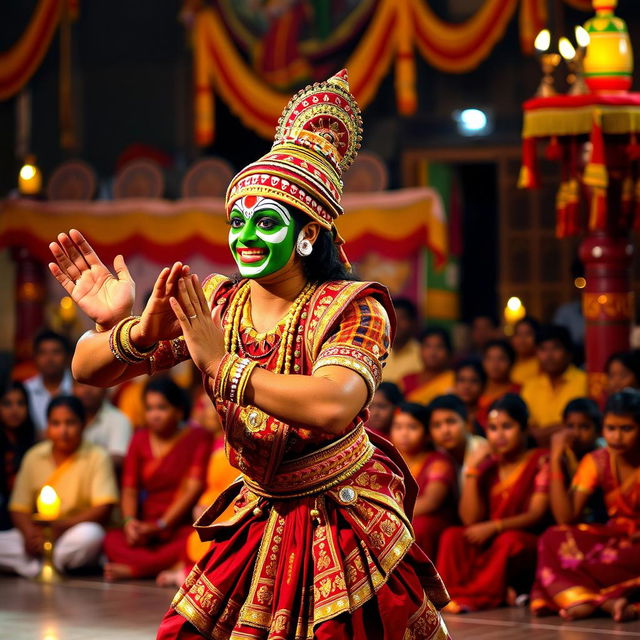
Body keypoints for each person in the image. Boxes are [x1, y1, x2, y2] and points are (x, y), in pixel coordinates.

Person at [48, 70, 450, 638]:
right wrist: (128, 332)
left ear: (309, 232)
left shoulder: (354, 306)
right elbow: (87, 372)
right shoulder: (218, 301)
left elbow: (334, 403)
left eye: (266, 222)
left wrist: (223, 366)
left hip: (340, 517)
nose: (245, 238)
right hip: (257, 512)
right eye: (237, 221)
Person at [530, 389, 640, 622]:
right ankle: (603, 601)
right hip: (616, 537)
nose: (617, 438)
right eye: (611, 429)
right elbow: (565, 517)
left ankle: (594, 598)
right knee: (552, 537)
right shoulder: (598, 460)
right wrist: (557, 457)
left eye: (626, 429)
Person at [436, 394, 550, 612]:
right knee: (452, 536)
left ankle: (476, 595)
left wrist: (495, 526)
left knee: (508, 541)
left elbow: (536, 513)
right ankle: (449, 594)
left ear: (524, 428)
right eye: (493, 428)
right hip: (493, 538)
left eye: (507, 426)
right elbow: (470, 519)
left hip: (526, 538)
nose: (499, 435)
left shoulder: (540, 460)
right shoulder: (489, 466)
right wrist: (471, 471)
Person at [103, 377, 211, 581]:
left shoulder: (198, 438)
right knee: (110, 540)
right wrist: (129, 522)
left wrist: (162, 525)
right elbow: (130, 488)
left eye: (161, 408)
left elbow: (193, 489)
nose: (154, 415)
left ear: (178, 410)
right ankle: (162, 566)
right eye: (149, 408)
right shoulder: (139, 439)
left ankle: (136, 570)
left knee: (193, 542)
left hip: (178, 526)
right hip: (145, 526)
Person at [0, 396, 117, 577]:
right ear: (47, 427)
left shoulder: (97, 456)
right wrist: (29, 534)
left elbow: (103, 508)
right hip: (37, 535)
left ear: (83, 424)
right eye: (55, 424)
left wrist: (60, 528)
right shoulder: (34, 456)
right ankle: (42, 566)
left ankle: (39, 566)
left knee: (91, 535)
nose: (63, 431)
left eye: (70, 423)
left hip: (71, 533)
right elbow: (18, 507)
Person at [390, 402, 456, 558]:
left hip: (427, 521)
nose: (404, 433)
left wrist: (392, 514)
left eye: (412, 427)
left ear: (427, 434)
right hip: (396, 515)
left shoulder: (438, 461)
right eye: (398, 427)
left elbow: (431, 502)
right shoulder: (387, 459)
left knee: (417, 528)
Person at [521, 324, 587, 447]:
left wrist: (541, 433)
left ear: (568, 352)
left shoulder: (585, 382)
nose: (549, 355)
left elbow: (580, 428)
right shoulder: (530, 386)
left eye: (555, 348)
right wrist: (560, 428)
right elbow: (526, 431)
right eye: (543, 349)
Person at [548, 398, 605, 525]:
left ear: (598, 431)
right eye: (570, 426)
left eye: (584, 427)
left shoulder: (603, 457)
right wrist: (555, 458)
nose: (576, 434)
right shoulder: (561, 456)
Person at [428, 394, 490, 487]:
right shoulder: (436, 455)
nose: (445, 431)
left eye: (451, 421)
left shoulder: (483, 451)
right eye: (437, 425)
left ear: (467, 423)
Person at [0, 382, 36, 531]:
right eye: (7, 404)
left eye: (20, 403)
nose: (14, 410)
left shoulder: (36, 443)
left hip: (30, 512)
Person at [73, 381, 132, 470]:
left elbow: (118, 459)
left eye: (94, 384)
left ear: (106, 387)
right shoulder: (66, 418)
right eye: (81, 384)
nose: (87, 390)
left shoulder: (118, 419)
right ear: (72, 388)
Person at [24, 330, 73, 433]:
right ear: (35, 357)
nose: (49, 359)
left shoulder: (79, 387)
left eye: (56, 352)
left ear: (68, 357)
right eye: (43, 353)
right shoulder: (26, 390)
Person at [401, 327, 455, 405]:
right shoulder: (406, 381)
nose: (432, 353)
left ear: (449, 352)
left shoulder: (454, 381)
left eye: (439, 347)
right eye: (428, 346)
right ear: (420, 350)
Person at [477, 339, 520, 429]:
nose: (494, 364)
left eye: (501, 359)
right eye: (489, 358)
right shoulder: (476, 390)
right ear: (483, 362)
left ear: (511, 362)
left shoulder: (519, 391)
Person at [382, 298, 422, 384]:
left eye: (402, 318)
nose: (396, 323)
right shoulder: (375, 350)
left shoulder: (422, 353)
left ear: (413, 323)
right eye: (392, 318)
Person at [453, 358, 486, 435]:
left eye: (474, 381)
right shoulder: (448, 413)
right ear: (454, 384)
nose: (467, 386)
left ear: (483, 385)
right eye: (461, 380)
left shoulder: (488, 413)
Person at [511, 316, 540, 386]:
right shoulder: (508, 362)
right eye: (518, 334)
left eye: (528, 334)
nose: (522, 339)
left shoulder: (543, 363)